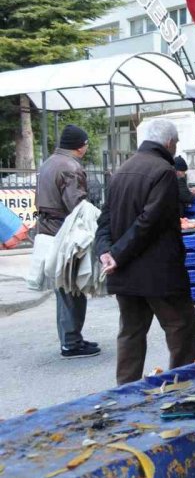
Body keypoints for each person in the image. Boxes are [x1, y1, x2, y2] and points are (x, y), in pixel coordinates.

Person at [95, 119, 195, 385]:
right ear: (168, 143)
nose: (175, 149)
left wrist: (106, 250)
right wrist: (115, 253)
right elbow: (149, 222)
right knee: (181, 330)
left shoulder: (122, 170)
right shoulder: (164, 171)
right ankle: (180, 389)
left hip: (126, 274)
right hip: (158, 273)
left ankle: (125, 394)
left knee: (130, 334)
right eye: (175, 143)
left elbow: (104, 219)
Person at [35, 124, 100, 359]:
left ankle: (70, 339)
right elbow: (77, 207)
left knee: (63, 287)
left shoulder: (48, 163)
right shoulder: (70, 167)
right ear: (80, 146)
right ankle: (71, 343)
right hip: (65, 232)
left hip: (47, 229)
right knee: (72, 286)